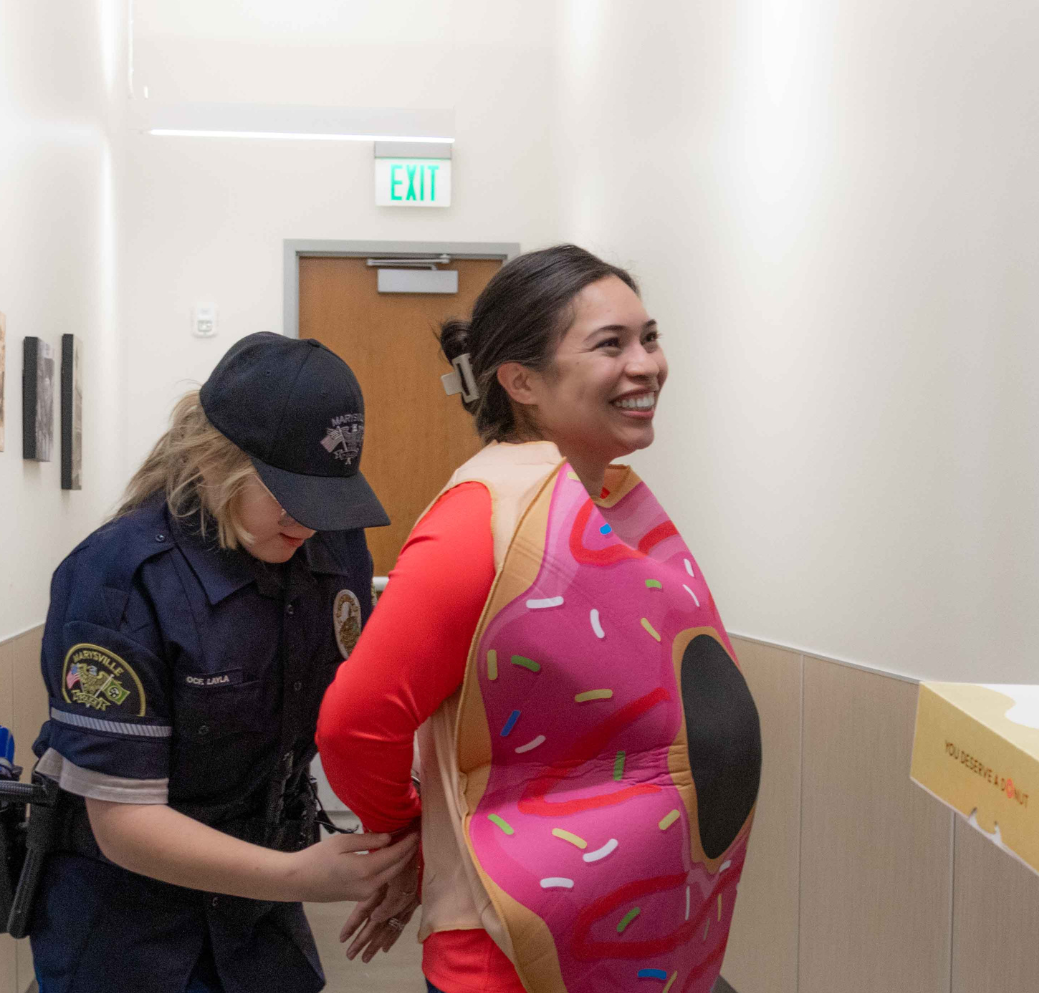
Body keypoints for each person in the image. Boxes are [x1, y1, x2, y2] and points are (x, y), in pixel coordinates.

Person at [317, 244, 763, 993]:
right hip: (512, 959)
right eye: (610, 345)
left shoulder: (608, 498)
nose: (647, 365)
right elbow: (356, 722)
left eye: (649, 338)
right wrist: (407, 837)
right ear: (520, 381)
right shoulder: (479, 522)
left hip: (633, 943)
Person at [28, 332, 419, 993]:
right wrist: (303, 875)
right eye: (288, 497)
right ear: (214, 462)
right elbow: (124, 825)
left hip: (259, 907)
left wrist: (404, 841)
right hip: (128, 922)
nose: (308, 525)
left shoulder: (330, 546)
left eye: (324, 504)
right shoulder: (121, 577)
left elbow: (377, 704)